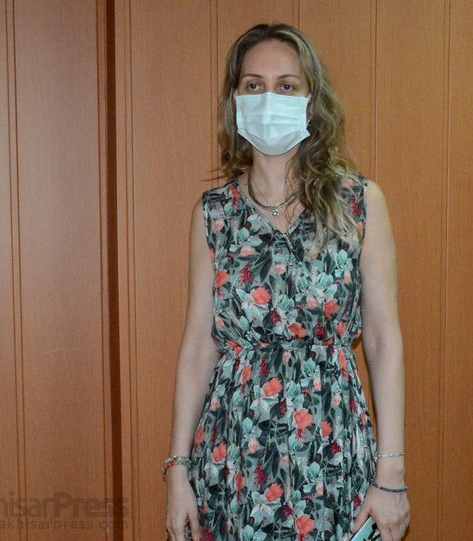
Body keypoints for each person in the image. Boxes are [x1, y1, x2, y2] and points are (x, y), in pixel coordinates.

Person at [164, 23, 410, 541]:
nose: (269, 98)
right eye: (254, 85)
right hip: (234, 456)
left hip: (333, 448)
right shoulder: (214, 214)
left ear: (311, 100)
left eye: (287, 85)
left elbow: (383, 340)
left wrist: (391, 474)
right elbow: (199, 347)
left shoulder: (359, 204)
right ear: (235, 100)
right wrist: (178, 471)